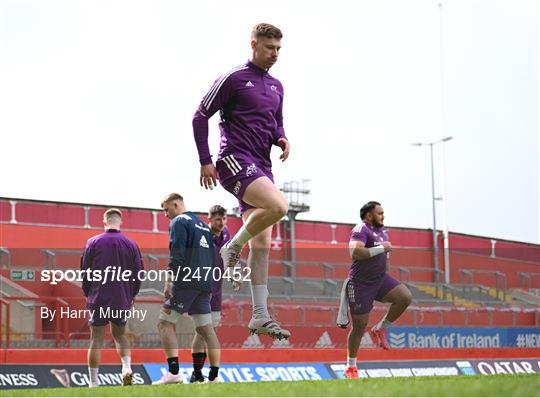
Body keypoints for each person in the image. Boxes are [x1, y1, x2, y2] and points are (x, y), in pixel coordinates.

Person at [192, 23, 291, 339]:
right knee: (279, 206)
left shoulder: (277, 86)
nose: (274, 54)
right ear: (254, 45)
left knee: (262, 243)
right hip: (234, 159)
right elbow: (199, 115)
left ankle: (260, 315)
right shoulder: (234, 78)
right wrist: (205, 160)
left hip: (262, 165)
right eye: (268, 48)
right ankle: (231, 249)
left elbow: (276, 122)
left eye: (278, 49)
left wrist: (282, 138)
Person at [337, 201, 413, 379]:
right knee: (359, 328)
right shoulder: (360, 229)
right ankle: (351, 367)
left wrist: (384, 255)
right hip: (360, 284)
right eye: (380, 213)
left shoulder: (382, 230)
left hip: (380, 280)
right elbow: (355, 253)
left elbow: (383, 253)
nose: (383, 216)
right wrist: (382, 248)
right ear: (369, 215)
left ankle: (380, 328)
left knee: (404, 297)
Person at [153, 193, 221, 385]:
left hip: (186, 282)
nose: (166, 214)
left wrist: (169, 281)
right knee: (206, 329)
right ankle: (214, 377)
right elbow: (210, 257)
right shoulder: (204, 227)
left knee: (164, 323)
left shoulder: (179, 222)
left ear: (176, 204)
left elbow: (177, 253)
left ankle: (174, 374)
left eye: (166, 209)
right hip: (204, 284)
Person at [80, 208, 143, 388]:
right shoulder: (131, 244)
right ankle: (126, 368)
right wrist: (132, 295)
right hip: (120, 296)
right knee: (120, 336)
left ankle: (93, 383)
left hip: (98, 296)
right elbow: (138, 274)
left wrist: (88, 293)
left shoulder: (92, 242)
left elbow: (85, 271)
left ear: (104, 221)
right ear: (120, 221)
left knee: (96, 339)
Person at [190, 205, 230, 383]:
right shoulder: (201, 237)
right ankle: (209, 375)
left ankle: (197, 374)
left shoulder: (226, 235)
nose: (221, 223)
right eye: (217, 220)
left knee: (205, 331)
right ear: (209, 220)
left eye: (223, 219)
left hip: (217, 291)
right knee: (204, 331)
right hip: (200, 291)